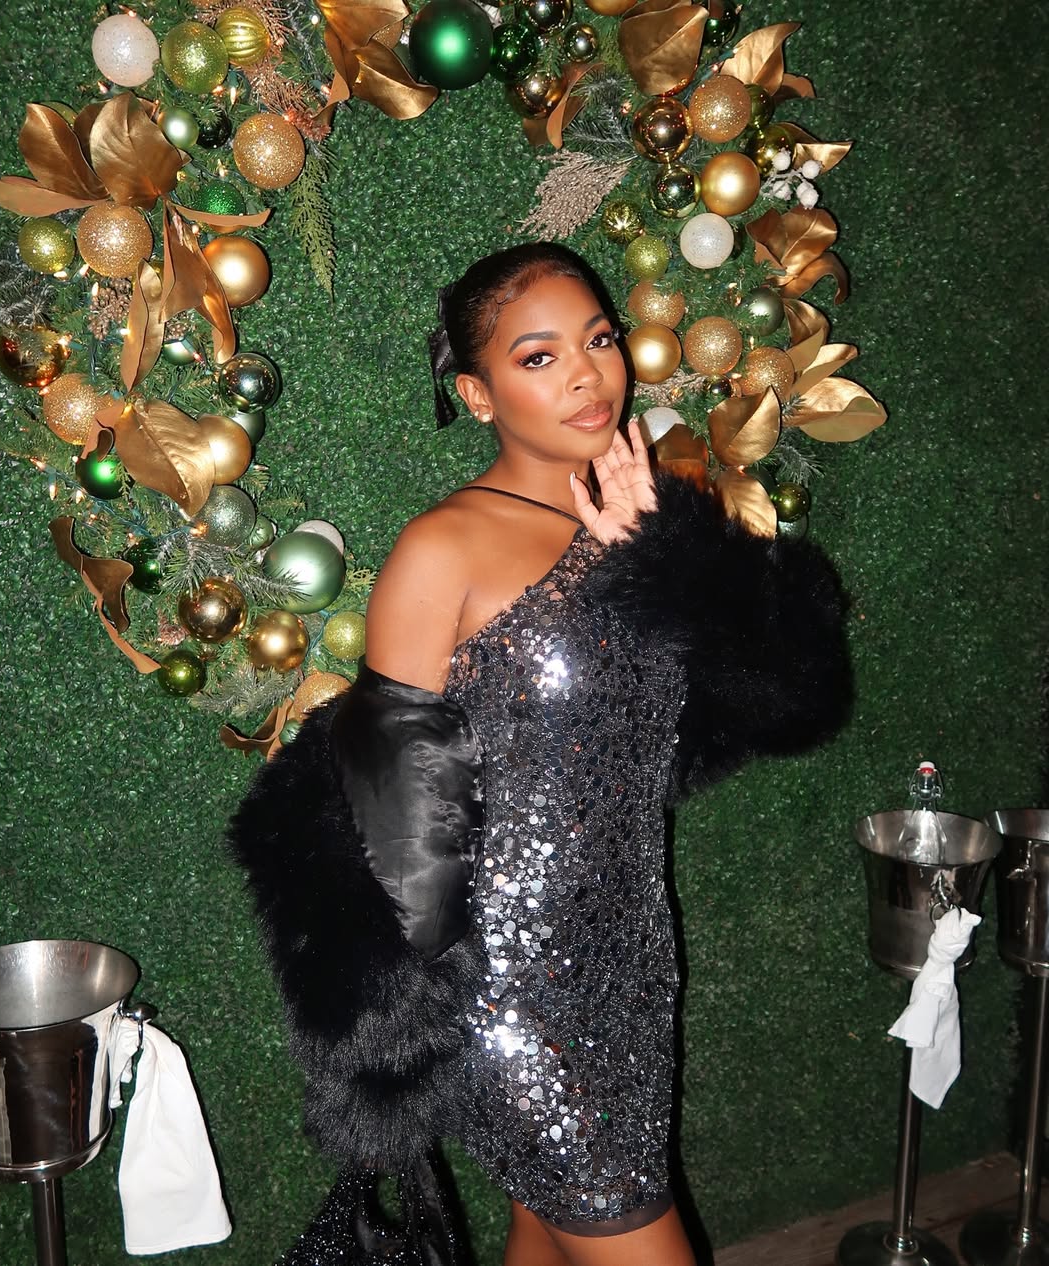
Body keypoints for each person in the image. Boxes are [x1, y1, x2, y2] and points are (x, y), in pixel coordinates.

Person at [228, 242, 853, 1266]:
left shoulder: (656, 513)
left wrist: (669, 556)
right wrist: (403, 1036)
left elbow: (793, 705)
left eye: (598, 341)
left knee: (546, 1231)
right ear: (477, 394)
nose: (586, 374)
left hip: (634, 959)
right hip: (507, 986)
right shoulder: (444, 548)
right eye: (538, 356)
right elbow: (392, 813)